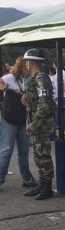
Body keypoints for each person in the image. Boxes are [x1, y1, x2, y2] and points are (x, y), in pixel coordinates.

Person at [21, 48, 56, 200]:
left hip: (41, 122)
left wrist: (34, 123)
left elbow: (44, 104)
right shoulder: (36, 78)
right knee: (38, 153)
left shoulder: (41, 78)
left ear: (31, 62)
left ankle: (47, 187)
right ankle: (42, 184)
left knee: (43, 154)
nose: (26, 65)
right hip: (38, 119)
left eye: (27, 62)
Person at [0, 56, 37, 189]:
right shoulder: (10, 77)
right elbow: (1, 82)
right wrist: (6, 90)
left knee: (23, 151)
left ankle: (27, 178)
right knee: (6, 149)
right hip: (10, 119)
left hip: (22, 118)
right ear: (22, 67)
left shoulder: (28, 80)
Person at [50, 61, 65, 137]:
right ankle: (64, 128)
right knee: (62, 113)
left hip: (59, 96)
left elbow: (62, 84)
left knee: (57, 114)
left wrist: (60, 93)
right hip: (62, 95)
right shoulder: (64, 73)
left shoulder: (60, 74)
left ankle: (58, 130)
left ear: (55, 64)